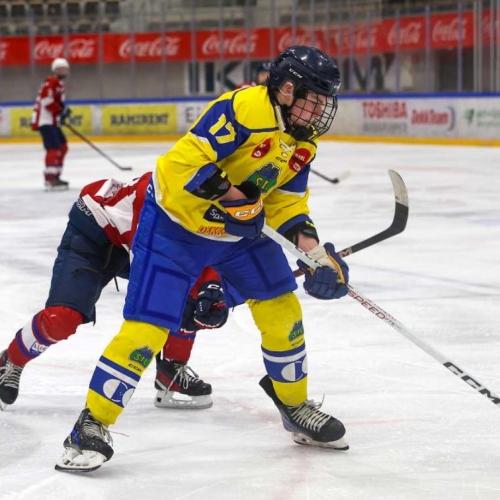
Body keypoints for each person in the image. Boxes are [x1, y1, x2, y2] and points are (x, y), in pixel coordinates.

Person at [56, 45, 350, 472]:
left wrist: (314, 251)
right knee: (149, 327)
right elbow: (180, 166)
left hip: (239, 234)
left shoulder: (304, 141)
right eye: (315, 99)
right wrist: (235, 198)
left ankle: (295, 406)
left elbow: (286, 203)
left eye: (326, 101)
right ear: (288, 90)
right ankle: (91, 424)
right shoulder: (245, 109)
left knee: (282, 307)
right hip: (176, 226)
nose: (321, 111)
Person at [0, 171, 228, 412]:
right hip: (94, 229)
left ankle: (171, 370)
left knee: (189, 293)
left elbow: (207, 252)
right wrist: (195, 291)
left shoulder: (216, 201)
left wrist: (210, 287)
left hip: (134, 238)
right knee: (62, 319)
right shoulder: (160, 196)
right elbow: (151, 263)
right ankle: (11, 360)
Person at [31, 58, 72, 191]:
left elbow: (57, 103)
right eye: (61, 68)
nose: (64, 71)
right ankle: (50, 179)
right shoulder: (50, 83)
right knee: (53, 149)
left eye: (65, 68)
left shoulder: (59, 85)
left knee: (63, 147)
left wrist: (62, 112)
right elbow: (47, 102)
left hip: (53, 122)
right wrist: (60, 111)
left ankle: (56, 176)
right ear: (55, 70)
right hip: (46, 122)